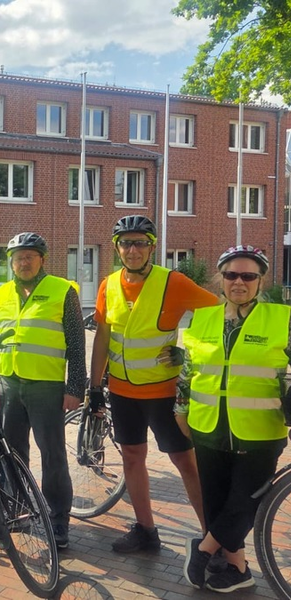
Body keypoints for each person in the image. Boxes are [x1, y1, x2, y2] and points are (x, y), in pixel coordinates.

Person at [89, 215, 218, 553]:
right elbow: (103, 337)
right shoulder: (109, 284)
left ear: (152, 246)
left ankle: (213, 537)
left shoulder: (173, 282)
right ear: (117, 247)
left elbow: (218, 313)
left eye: (140, 242)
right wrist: (93, 386)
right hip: (122, 391)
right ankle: (146, 530)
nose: (133, 249)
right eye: (126, 243)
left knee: (185, 462)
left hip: (163, 391)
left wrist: (185, 350)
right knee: (132, 457)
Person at [179, 245, 288, 593]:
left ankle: (204, 549)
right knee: (216, 503)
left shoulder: (281, 319)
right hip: (208, 426)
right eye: (231, 275)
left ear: (260, 281)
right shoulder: (204, 317)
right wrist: (181, 412)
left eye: (248, 276)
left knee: (245, 502)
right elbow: (189, 371)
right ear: (220, 279)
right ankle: (238, 570)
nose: (238, 282)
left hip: (260, 432)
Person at [0, 232, 85, 550]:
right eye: (17, 257)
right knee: (12, 452)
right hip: (9, 384)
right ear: (11, 262)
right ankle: (16, 510)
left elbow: (76, 343)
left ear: (42, 259)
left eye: (30, 255)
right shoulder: (1, 293)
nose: (23, 261)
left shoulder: (62, 290)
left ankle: (58, 519)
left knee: (53, 455)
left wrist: (75, 387)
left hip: (46, 386)